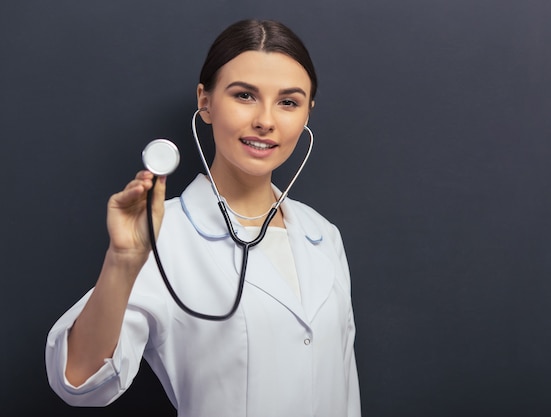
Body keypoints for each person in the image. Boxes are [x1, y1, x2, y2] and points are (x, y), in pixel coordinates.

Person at [45, 19, 361, 417]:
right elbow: (78, 381)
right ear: (205, 102)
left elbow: (345, 389)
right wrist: (123, 263)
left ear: (306, 113)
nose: (266, 119)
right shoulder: (164, 235)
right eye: (245, 95)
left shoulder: (323, 235)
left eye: (288, 102)